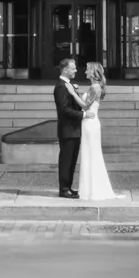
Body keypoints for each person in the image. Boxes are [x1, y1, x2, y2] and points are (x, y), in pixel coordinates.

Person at [73, 61, 120, 200]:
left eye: (87, 69)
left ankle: (94, 189)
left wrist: (72, 93)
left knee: (92, 154)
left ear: (93, 72)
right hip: (87, 122)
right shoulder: (93, 87)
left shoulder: (95, 87)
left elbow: (86, 106)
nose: (85, 71)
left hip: (91, 122)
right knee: (88, 154)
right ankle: (88, 189)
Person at [53, 58, 85, 198]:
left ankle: (69, 187)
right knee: (66, 161)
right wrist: (83, 114)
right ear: (65, 70)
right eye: (73, 68)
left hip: (73, 130)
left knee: (72, 160)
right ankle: (64, 189)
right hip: (68, 130)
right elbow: (64, 109)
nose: (76, 70)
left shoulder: (68, 84)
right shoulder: (61, 86)